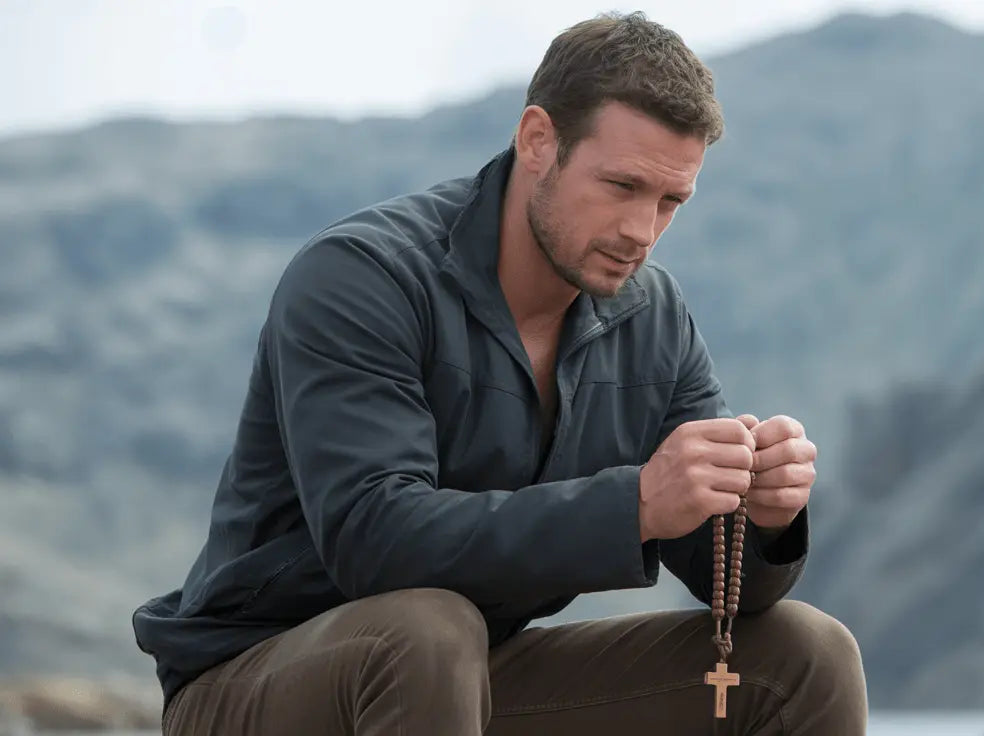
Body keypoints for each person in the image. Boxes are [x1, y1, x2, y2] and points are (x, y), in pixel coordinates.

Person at [131, 10, 867, 735]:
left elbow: (726, 589)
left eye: (671, 201)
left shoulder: (654, 322)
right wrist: (638, 503)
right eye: (622, 186)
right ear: (538, 140)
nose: (642, 232)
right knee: (427, 628)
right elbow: (374, 541)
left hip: (470, 676)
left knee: (806, 656)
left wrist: (764, 520)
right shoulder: (362, 279)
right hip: (252, 682)